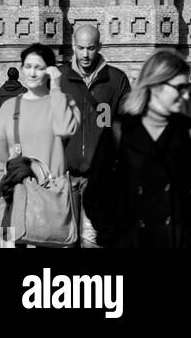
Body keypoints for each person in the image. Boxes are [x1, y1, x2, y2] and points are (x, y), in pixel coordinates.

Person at [84, 49, 191, 249]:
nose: (186, 95)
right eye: (180, 88)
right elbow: (95, 192)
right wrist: (112, 236)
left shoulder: (190, 131)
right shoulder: (120, 129)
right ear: (156, 86)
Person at [0, 43, 80, 243]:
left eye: (39, 67)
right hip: (16, 201)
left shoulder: (63, 101)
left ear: (51, 71)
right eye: (28, 66)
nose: (32, 72)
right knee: (8, 245)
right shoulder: (9, 108)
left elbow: (65, 128)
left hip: (51, 202)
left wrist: (55, 89)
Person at [60, 22, 130, 248]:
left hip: (99, 177)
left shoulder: (116, 79)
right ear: (73, 46)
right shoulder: (60, 79)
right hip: (65, 174)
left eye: (90, 48)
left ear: (100, 46)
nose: (85, 54)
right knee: (66, 240)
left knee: (92, 242)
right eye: (80, 48)